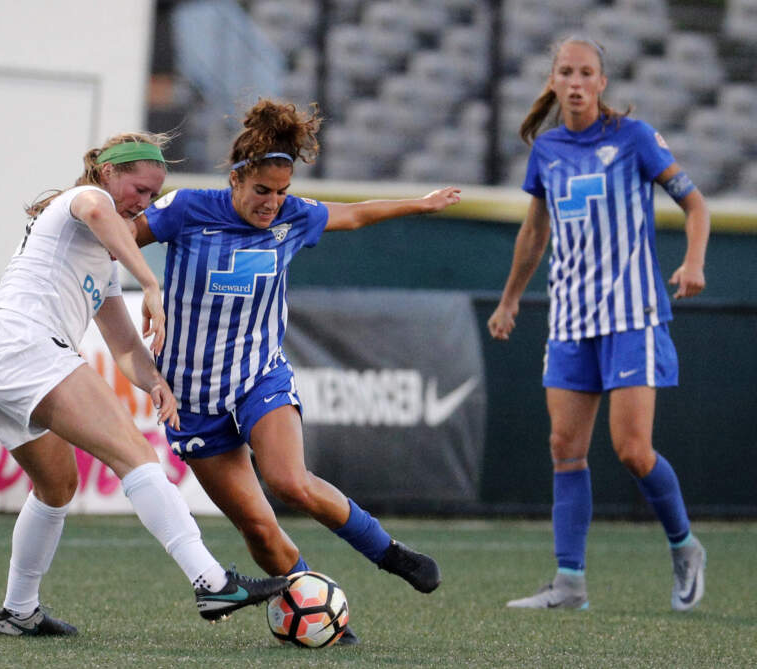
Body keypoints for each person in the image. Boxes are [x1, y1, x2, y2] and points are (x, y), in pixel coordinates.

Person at [131, 99, 461, 645]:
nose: (273, 203)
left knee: (289, 480)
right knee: (258, 529)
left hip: (259, 375)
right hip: (190, 397)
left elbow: (354, 214)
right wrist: (144, 281)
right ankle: (318, 609)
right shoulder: (187, 208)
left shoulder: (293, 217)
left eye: (282, 192)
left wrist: (419, 204)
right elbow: (121, 237)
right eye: (263, 191)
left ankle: (390, 553)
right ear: (237, 178)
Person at [0, 133, 288, 636]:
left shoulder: (104, 261)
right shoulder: (80, 201)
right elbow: (96, 209)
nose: (144, 203)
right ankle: (210, 581)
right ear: (107, 173)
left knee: (56, 486)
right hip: (21, 345)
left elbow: (125, 347)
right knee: (136, 455)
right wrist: (151, 283)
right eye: (139, 188)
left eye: (154, 196)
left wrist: (156, 383)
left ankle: (17, 611)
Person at [487, 36, 710, 611]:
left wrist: (692, 260)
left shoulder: (633, 139)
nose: (578, 82)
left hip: (631, 314)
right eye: (567, 72)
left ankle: (685, 546)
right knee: (565, 446)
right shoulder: (548, 149)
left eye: (588, 72)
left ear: (602, 82)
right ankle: (569, 583)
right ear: (553, 82)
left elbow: (696, 205)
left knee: (633, 450)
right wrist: (510, 299)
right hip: (568, 317)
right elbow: (535, 232)